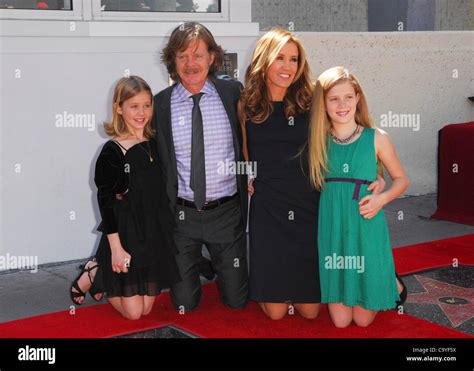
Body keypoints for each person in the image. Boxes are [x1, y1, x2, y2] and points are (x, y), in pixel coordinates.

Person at [239, 29, 386, 320]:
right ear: (263, 59)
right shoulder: (247, 103)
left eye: (294, 59)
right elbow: (246, 148)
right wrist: (250, 177)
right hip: (268, 205)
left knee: (308, 312)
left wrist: (376, 174)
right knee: (276, 313)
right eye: (280, 58)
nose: (288, 66)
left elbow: (350, 132)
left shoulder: (311, 99)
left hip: (309, 201)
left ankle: (387, 279)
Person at [152, 22, 248, 312]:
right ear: (173, 61)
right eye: (182, 56)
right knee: (185, 304)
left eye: (197, 55)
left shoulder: (232, 93)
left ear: (211, 58)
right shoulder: (160, 105)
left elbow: (252, 137)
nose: (190, 64)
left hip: (226, 214)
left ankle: (217, 260)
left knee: (237, 301)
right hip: (183, 217)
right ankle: (199, 260)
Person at [69, 76, 181, 320]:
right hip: (127, 233)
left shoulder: (154, 142)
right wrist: (117, 249)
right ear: (119, 108)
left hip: (153, 229)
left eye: (147, 105)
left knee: (147, 309)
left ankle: (97, 268)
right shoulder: (113, 150)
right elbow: (106, 202)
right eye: (134, 106)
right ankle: (95, 272)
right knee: (134, 314)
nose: (142, 113)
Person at [308, 66, 409, 328]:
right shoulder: (317, 140)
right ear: (324, 104)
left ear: (358, 98)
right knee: (341, 322)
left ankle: (392, 282)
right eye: (333, 99)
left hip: (366, 221)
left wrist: (382, 199)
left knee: (363, 322)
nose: (342, 105)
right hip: (334, 225)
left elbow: (402, 179)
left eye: (348, 97)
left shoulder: (377, 138)